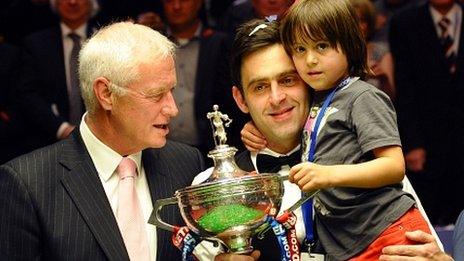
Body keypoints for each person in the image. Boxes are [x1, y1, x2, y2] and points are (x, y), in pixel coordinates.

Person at [242, 0, 431, 259]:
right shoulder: (319, 99)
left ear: (350, 45)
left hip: (387, 232)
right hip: (351, 242)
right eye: (299, 49)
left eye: (322, 46)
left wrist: (329, 175)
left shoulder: (362, 96)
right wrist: (253, 127)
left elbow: (394, 167)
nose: (310, 59)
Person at [0, 21, 205, 260]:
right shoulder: (27, 185)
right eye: (156, 95)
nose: (172, 109)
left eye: (171, 91)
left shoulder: (187, 164)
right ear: (106, 94)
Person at [389, 0, 464, 226]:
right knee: (430, 219)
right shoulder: (404, 22)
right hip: (426, 139)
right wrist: (412, 143)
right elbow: (405, 87)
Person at [15, 0, 100, 152]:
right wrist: (62, 128)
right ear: (55, 3)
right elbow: (27, 94)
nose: (72, 2)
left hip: (102, 140)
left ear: (91, 3)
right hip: (47, 142)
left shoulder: (106, 41)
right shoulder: (35, 44)